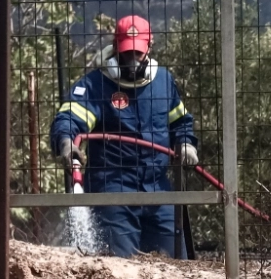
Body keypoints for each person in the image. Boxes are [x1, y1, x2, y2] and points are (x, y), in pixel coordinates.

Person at [50, 15, 198, 258]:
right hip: (112, 189)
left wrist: (185, 143)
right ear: (115, 48)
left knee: (177, 266)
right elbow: (68, 120)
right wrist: (67, 145)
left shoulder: (163, 82)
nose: (132, 60)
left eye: (138, 53)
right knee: (120, 266)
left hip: (159, 190)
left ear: (149, 47)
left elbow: (180, 122)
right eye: (126, 53)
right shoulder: (95, 85)